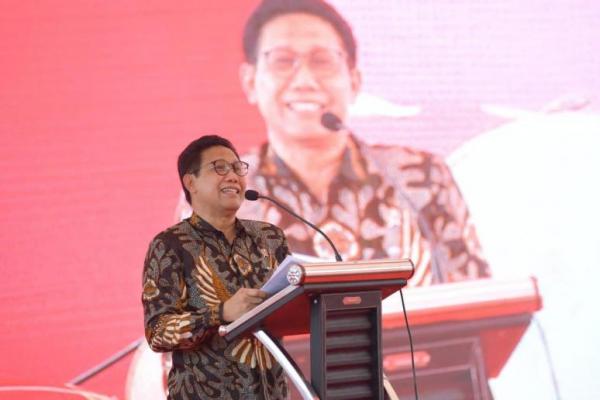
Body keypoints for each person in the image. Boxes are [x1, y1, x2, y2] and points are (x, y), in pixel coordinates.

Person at [177, 0, 489, 285]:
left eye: (322, 61)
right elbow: (194, 314)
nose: (304, 81)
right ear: (250, 82)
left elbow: (473, 298)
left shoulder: (421, 178)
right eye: (283, 61)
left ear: (354, 82)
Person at [142, 135, 291, 399]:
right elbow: (158, 332)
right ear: (191, 182)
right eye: (219, 168)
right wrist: (220, 313)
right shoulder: (170, 245)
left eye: (237, 168)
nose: (233, 176)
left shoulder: (270, 238)